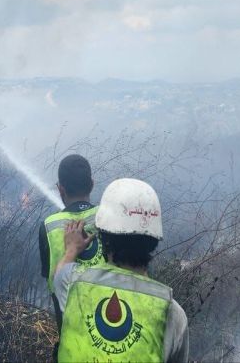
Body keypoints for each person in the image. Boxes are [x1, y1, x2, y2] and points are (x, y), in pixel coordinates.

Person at [53, 178, 189, 362]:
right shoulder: (173, 313)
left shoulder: (73, 282)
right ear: (154, 241)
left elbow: (59, 274)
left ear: (103, 237)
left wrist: (71, 250)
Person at [39, 154, 105, 329]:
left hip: (70, 330)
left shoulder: (48, 227)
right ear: (91, 184)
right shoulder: (108, 217)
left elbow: (51, 280)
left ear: (60, 189)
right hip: (110, 321)